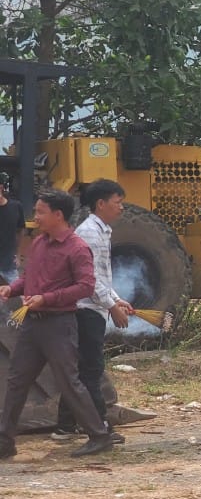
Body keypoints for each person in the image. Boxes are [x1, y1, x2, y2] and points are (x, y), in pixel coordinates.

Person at [0, 189, 113, 460]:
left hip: (59, 325)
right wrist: (11, 289)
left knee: (68, 382)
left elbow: (85, 286)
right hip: (32, 324)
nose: (35, 217)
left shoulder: (77, 248)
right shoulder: (39, 242)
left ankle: (99, 435)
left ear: (58, 215)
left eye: (40, 212)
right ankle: (5, 441)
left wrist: (47, 298)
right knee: (17, 381)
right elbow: (29, 277)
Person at [51, 179, 133, 444]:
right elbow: (90, 280)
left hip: (92, 307)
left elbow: (101, 275)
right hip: (87, 309)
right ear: (101, 204)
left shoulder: (100, 230)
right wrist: (111, 306)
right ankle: (100, 428)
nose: (121, 208)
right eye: (117, 202)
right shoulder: (89, 233)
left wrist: (117, 299)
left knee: (82, 367)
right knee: (91, 370)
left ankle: (65, 426)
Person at [0, 175, 24, 281]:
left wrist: (18, 255)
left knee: (17, 289)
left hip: (9, 266)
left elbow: (21, 230)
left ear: (1, 187)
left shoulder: (16, 207)